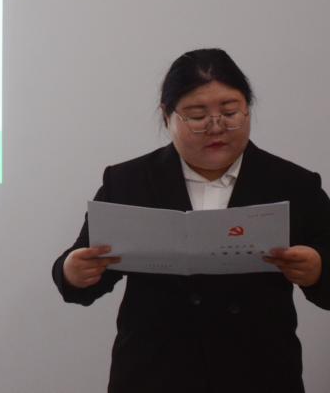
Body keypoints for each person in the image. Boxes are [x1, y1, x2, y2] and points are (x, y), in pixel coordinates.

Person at [52, 48, 330, 393]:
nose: (216, 127)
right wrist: (74, 272)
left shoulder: (292, 183)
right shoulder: (129, 181)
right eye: (197, 116)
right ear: (167, 115)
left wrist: (318, 269)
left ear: (248, 108)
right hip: (154, 372)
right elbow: (82, 267)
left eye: (230, 112)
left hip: (258, 370)